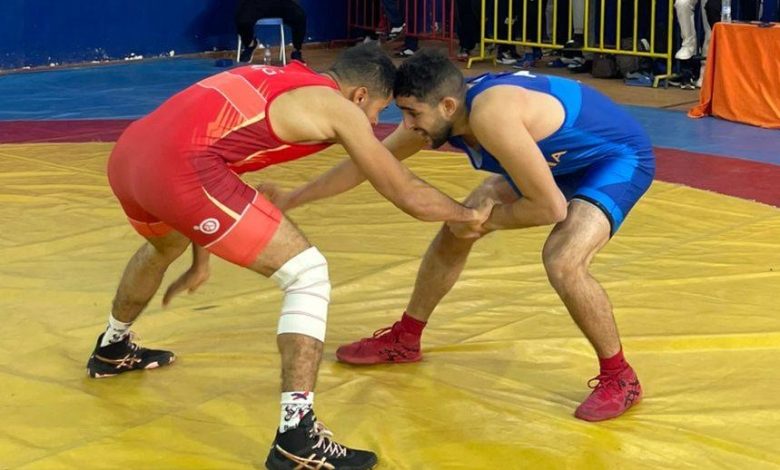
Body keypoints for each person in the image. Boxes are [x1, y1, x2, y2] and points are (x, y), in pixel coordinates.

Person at [86, 44, 491, 470]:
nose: (374, 123)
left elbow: (206, 146)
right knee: (307, 274)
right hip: (180, 171)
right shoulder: (339, 108)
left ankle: (112, 346)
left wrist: (201, 257)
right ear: (359, 96)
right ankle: (296, 436)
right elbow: (402, 190)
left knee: (163, 246)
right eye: (378, 111)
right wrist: (467, 214)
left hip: (130, 157)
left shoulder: (280, 75)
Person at [264, 50, 654, 423]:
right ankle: (406, 338)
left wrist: (485, 221)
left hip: (614, 159)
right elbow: (368, 163)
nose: (408, 125)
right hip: (559, 159)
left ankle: (620, 377)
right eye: (403, 112)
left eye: (413, 114)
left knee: (562, 259)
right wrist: (294, 197)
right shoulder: (440, 110)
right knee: (458, 227)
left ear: (448, 106)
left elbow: (550, 208)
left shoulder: (491, 116)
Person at [236, 0, 307, 63]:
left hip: (279, 2)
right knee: (243, 21)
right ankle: (251, 45)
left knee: (299, 16)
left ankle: (296, 50)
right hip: (255, 3)